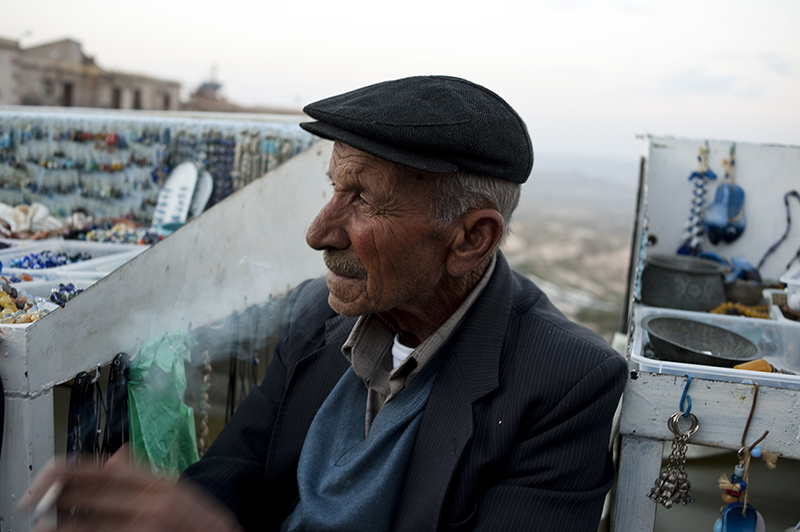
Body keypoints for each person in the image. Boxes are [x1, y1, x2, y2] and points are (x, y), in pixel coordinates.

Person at [21, 76, 627, 532]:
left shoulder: (562, 382)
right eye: (335, 188)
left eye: (362, 200)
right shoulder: (318, 316)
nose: (319, 232)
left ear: (471, 238)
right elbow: (235, 476)